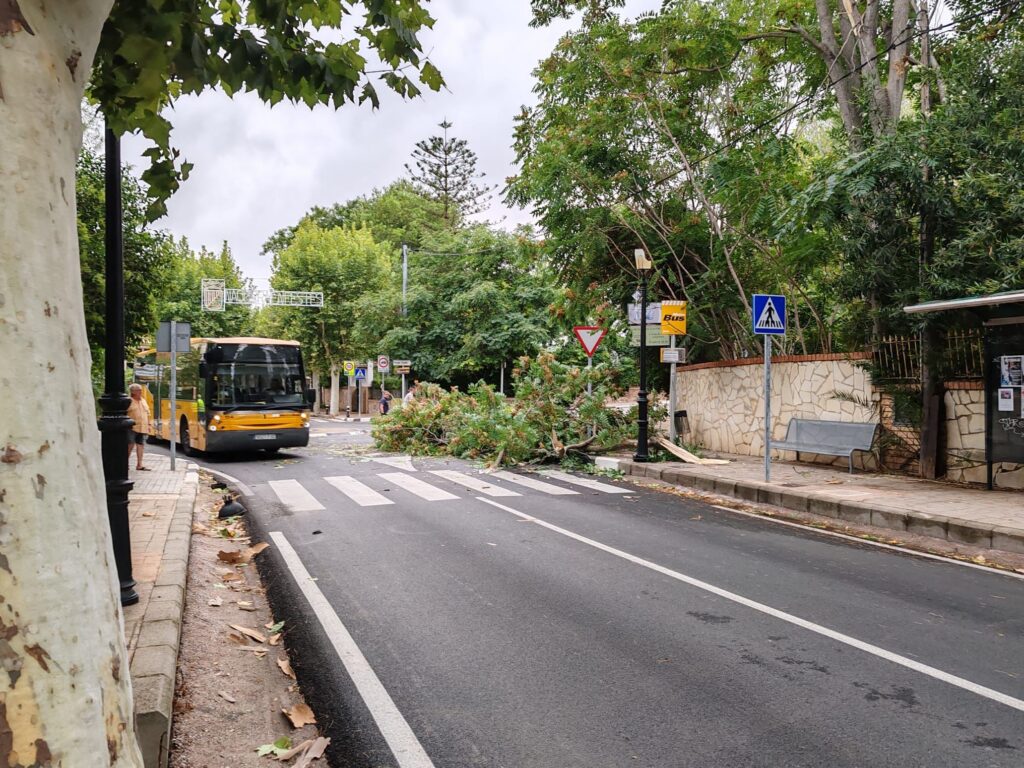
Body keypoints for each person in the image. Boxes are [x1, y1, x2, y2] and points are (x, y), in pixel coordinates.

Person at [127, 383, 152, 471]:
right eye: (138, 390)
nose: (140, 391)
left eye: (140, 390)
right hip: (132, 427)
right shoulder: (128, 401)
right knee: (130, 445)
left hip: (143, 427)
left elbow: (148, 413)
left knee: (140, 445)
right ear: (133, 392)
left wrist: (149, 425)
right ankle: (125, 463)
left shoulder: (143, 400)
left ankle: (139, 464)